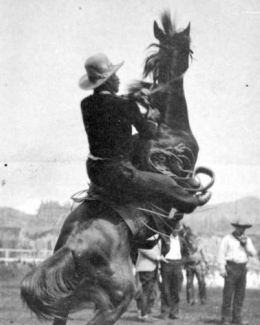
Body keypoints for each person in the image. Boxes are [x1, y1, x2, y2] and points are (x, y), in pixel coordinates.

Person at [79, 53, 211, 213]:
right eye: (115, 76)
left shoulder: (86, 104)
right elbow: (148, 133)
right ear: (107, 82)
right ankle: (192, 201)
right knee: (166, 183)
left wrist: (132, 98)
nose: (118, 79)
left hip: (94, 172)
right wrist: (151, 118)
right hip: (120, 173)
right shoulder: (125, 105)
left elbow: (106, 105)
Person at [216, 218, 258, 325]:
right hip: (231, 267)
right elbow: (221, 254)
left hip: (242, 267)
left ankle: (237, 317)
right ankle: (225, 318)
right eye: (240, 228)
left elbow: (253, 253)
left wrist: (245, 245)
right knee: (228, 294)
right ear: (236, 227)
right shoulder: (227, 239)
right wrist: (222, 268)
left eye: (244, 228)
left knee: (240, 294)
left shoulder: (247, 240)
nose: (242, 230)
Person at [158, 225, 185, 320]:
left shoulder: (181, 240)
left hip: (177, 264)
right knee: (165, 289)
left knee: (176, 289)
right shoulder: (164, 239)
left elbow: (186, 252)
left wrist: (182, 262)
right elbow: (158, 249)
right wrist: (161, 258)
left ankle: (174, 312)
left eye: (177, 228)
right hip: (167, 264)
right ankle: (164, 312)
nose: (175, 230)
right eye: (174, 228)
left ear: (179, 229)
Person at [134, 238, 161, 323]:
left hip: (152, 266)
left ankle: (145, 313)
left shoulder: (155, 236)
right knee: (146, 291)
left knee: (149, 291)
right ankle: (143, 315)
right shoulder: (146, 235)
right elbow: (142, 248)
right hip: (146, 267)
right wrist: (157, 257)